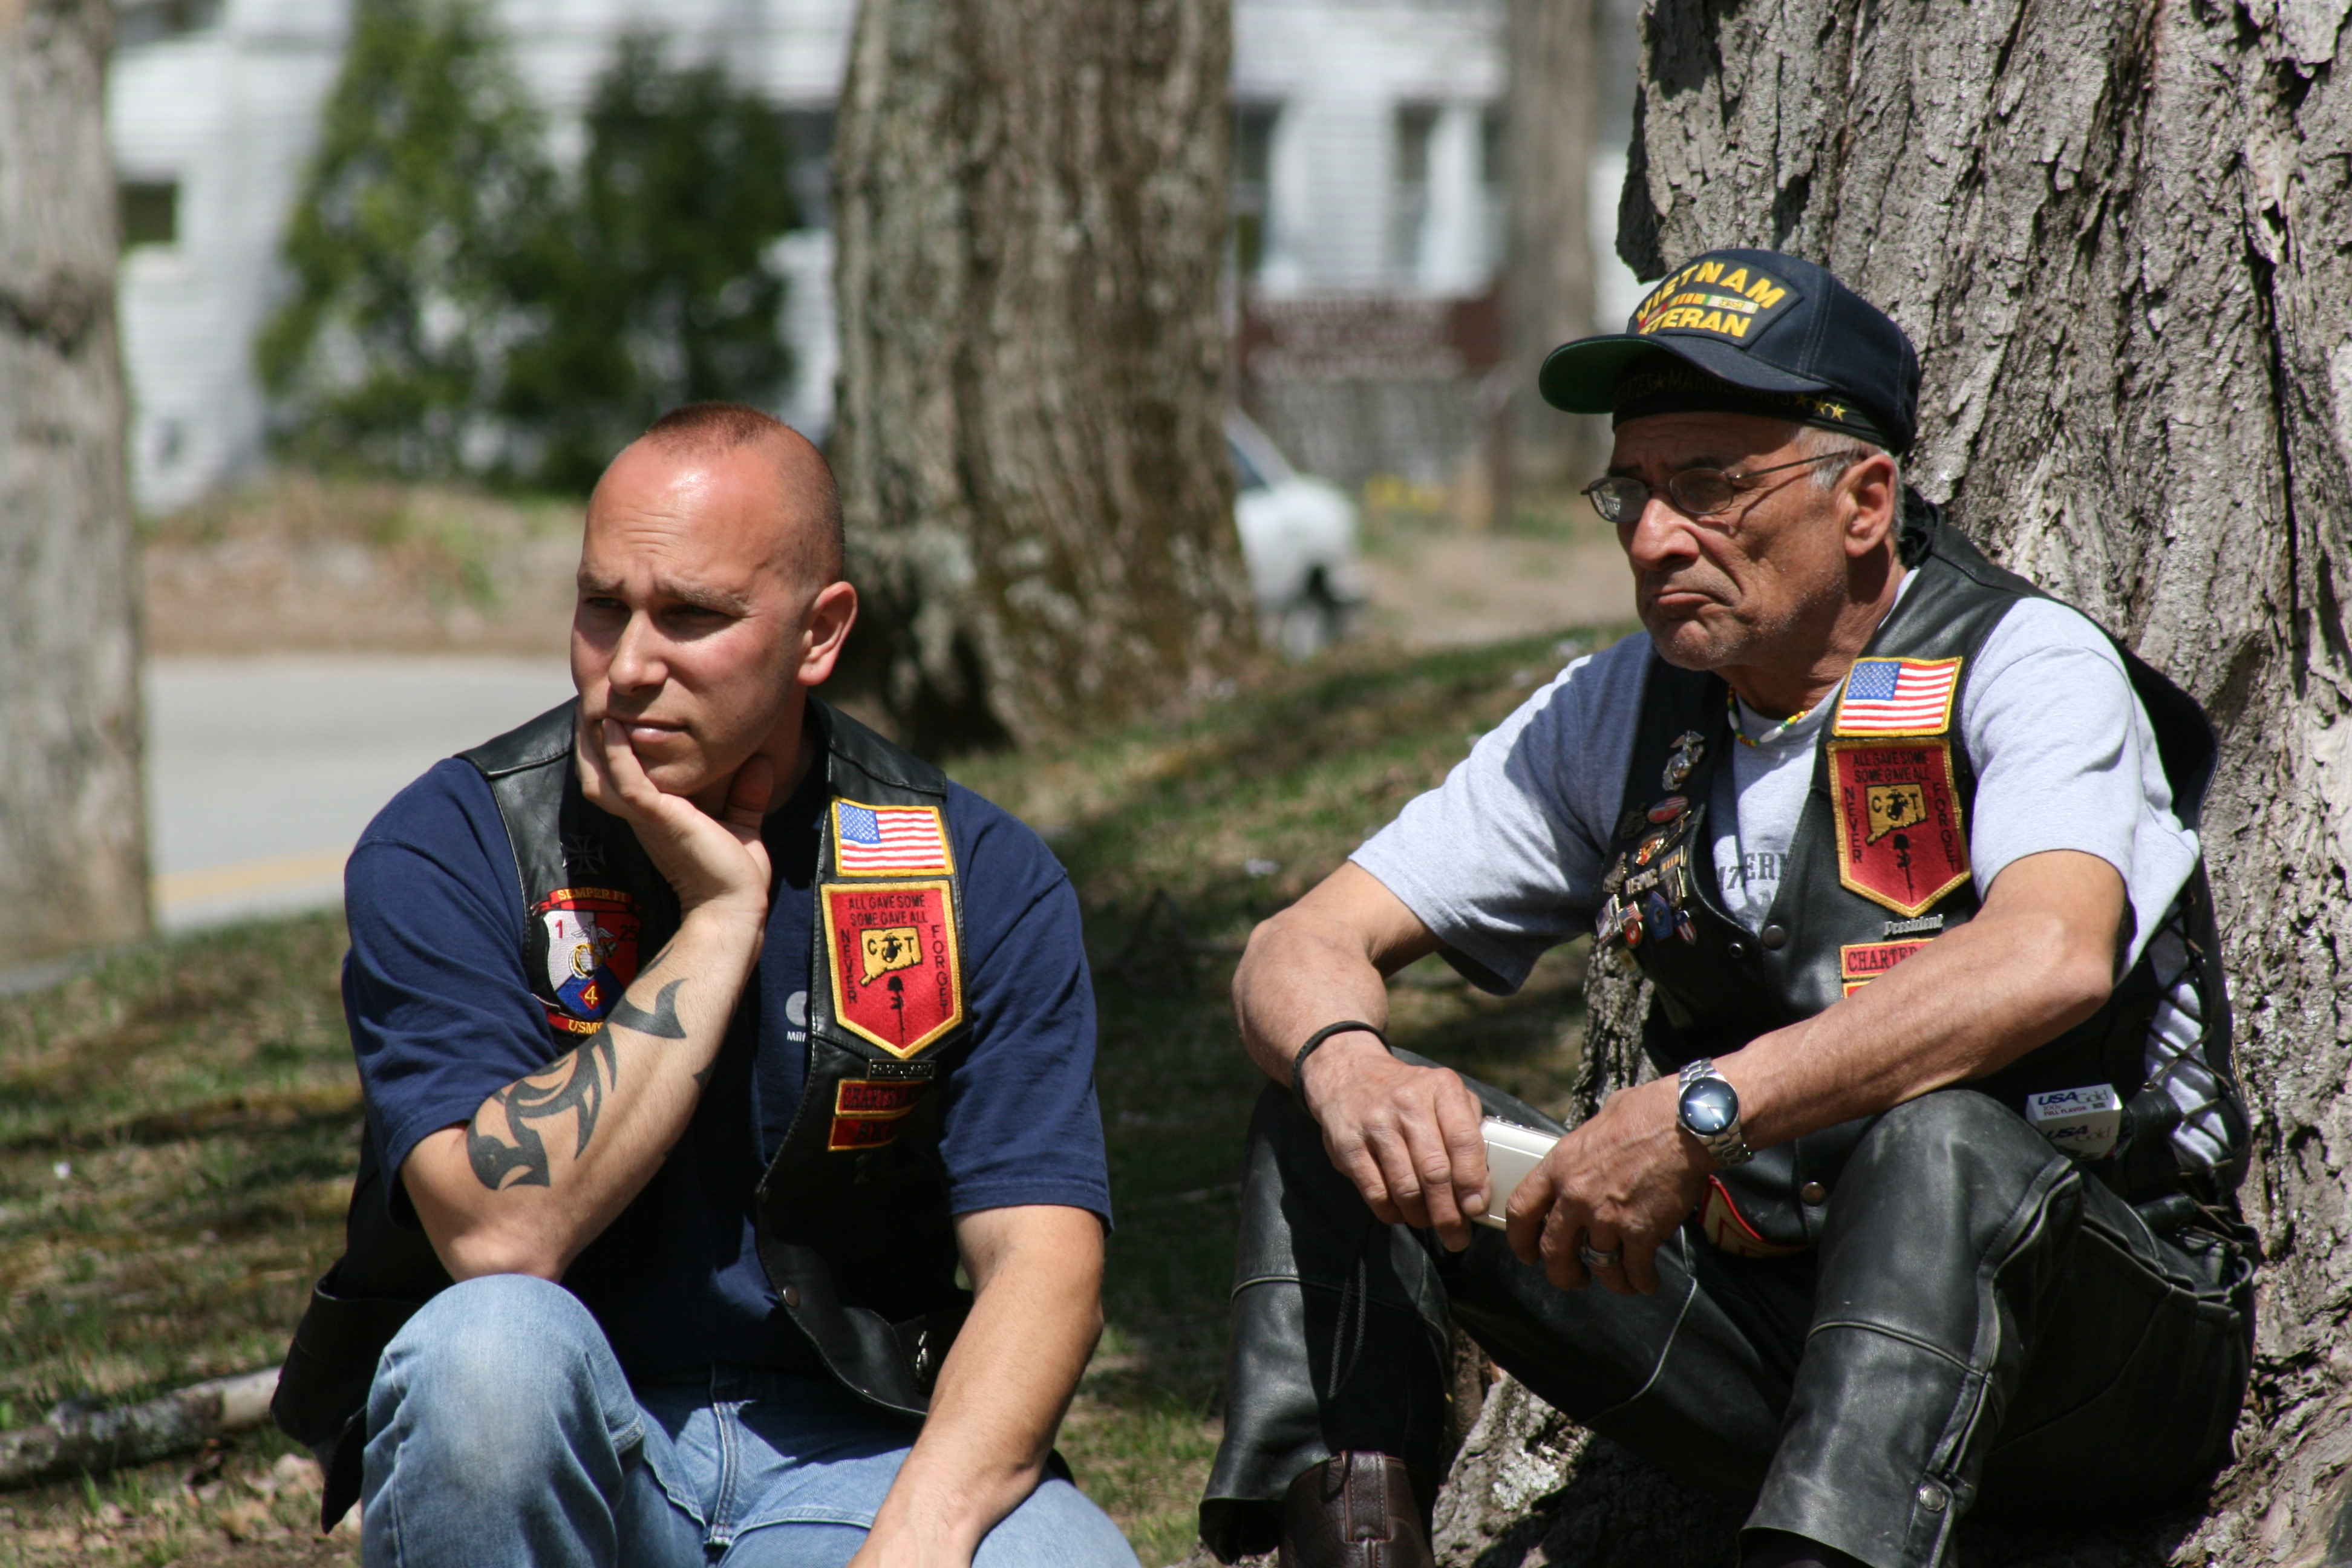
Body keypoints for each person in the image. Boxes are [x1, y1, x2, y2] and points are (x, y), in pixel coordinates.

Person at [1198, 250, 2255, 1568]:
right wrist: (1349, 1065)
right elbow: (1297, 945)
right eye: (1631, 491)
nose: (1652, 538)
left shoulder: (2026, 663)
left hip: (2095, 1356)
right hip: (1782, 1338)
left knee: (1939, 1148)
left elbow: (2047, 957)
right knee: (1335, 1112)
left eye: (1708, 486)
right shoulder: (1621, 708)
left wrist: (1706, 1112)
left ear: (1864, 499)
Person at [271, 402, 1138, 1568]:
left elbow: (1043, 1265)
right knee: (489, 1352)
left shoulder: (974, 872)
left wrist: (917, 1538)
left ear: (820, 634)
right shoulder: (454, 842)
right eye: (600, 607)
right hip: (574, 1441)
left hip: (861, 1456)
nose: (628, 668)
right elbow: (496, 1231)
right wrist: (722, 920)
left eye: (692, 617)